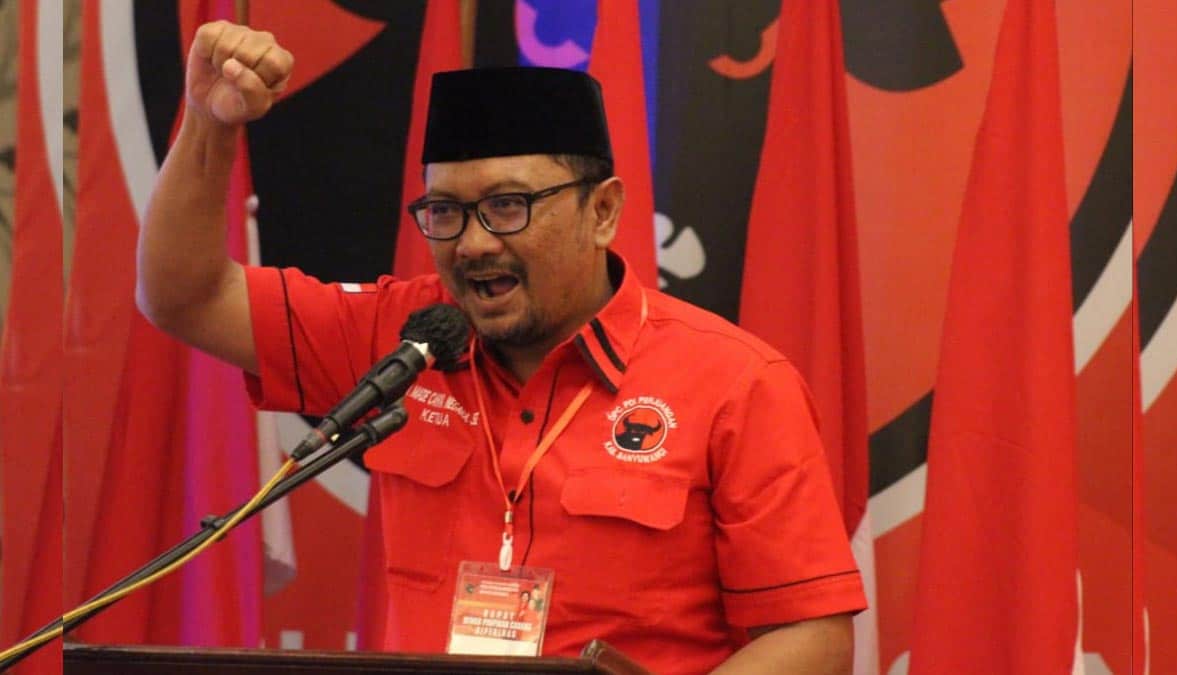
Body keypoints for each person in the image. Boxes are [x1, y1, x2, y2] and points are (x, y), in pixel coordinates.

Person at [137, 21, 867, 675]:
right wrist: (209, 122)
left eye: (508, 207)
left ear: (603, 210)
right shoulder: (402, 338)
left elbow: (813, 637)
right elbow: (183, 295)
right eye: (446, 212)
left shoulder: (736, 382)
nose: (474, 243)